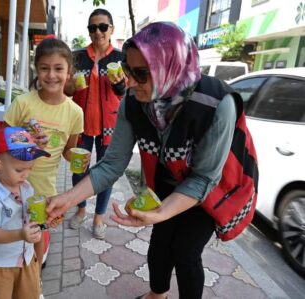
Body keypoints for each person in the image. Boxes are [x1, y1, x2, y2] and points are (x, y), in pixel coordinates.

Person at [47, 22, 249, 299]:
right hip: (167, 179)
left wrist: (161, 212)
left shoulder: (216, 104)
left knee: (185, 251)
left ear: (171, 67)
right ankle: (157, 294)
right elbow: (111, 164)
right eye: (128, 70)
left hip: (210, 186)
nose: (129, 81)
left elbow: (204, 177)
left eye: (140, 73)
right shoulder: (133, 101)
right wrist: (68, 199)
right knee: (160, 243)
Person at [4, 38, 84, 265]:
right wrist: (29, 143)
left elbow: (68, 151)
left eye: (58, 69)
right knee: (11, 227)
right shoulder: (22, 103)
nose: (51, 75)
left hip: (45, 186)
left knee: (39, 228)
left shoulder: (75, 112)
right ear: (36, 69)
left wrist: (79, 159)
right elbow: (3, 146)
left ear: (69, 72)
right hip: (13, 182)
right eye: (44, 68)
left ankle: (36, 273)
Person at [65, 8, 126, 239]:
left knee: (105, 172)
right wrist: (72, 86)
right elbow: (67, 90)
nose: (98, 32)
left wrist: (118, 85)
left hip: (109, 127)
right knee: (78, 170)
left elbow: (124, 94)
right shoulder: (77, 56)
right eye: (93, 27)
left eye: (102, 27)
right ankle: (81, 210)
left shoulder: (120, 58)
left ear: (111, 29)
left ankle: (99, 217)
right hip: (80, 125)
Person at [0, 127, 51, 299]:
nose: (25, 175)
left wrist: (45, 217)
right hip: (1, 264)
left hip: (27, 258)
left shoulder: (26, 187)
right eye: (19, 170)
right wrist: (20, 234)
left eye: (30, 168)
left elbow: (32, 215)